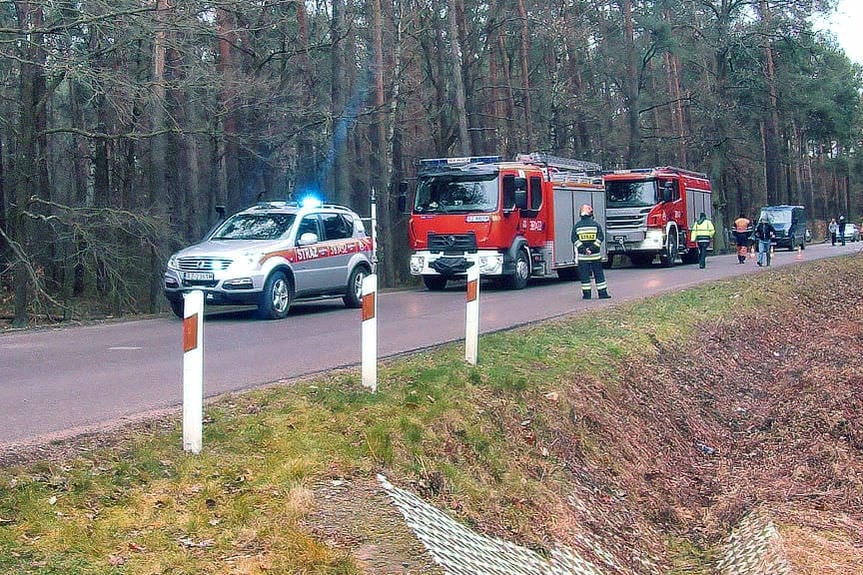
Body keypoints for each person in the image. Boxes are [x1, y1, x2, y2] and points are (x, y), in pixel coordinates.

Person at [571, 204, 610, 299]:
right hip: (595, 256)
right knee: (599, 275)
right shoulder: (596, 225)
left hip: (583, 257)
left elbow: (574, 239)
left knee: (584, 276)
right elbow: (600, 238)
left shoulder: (577, 226)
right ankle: (602, 294)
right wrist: (592, 249)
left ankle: (587, 295)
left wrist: (584, 250)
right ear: (591, 214)